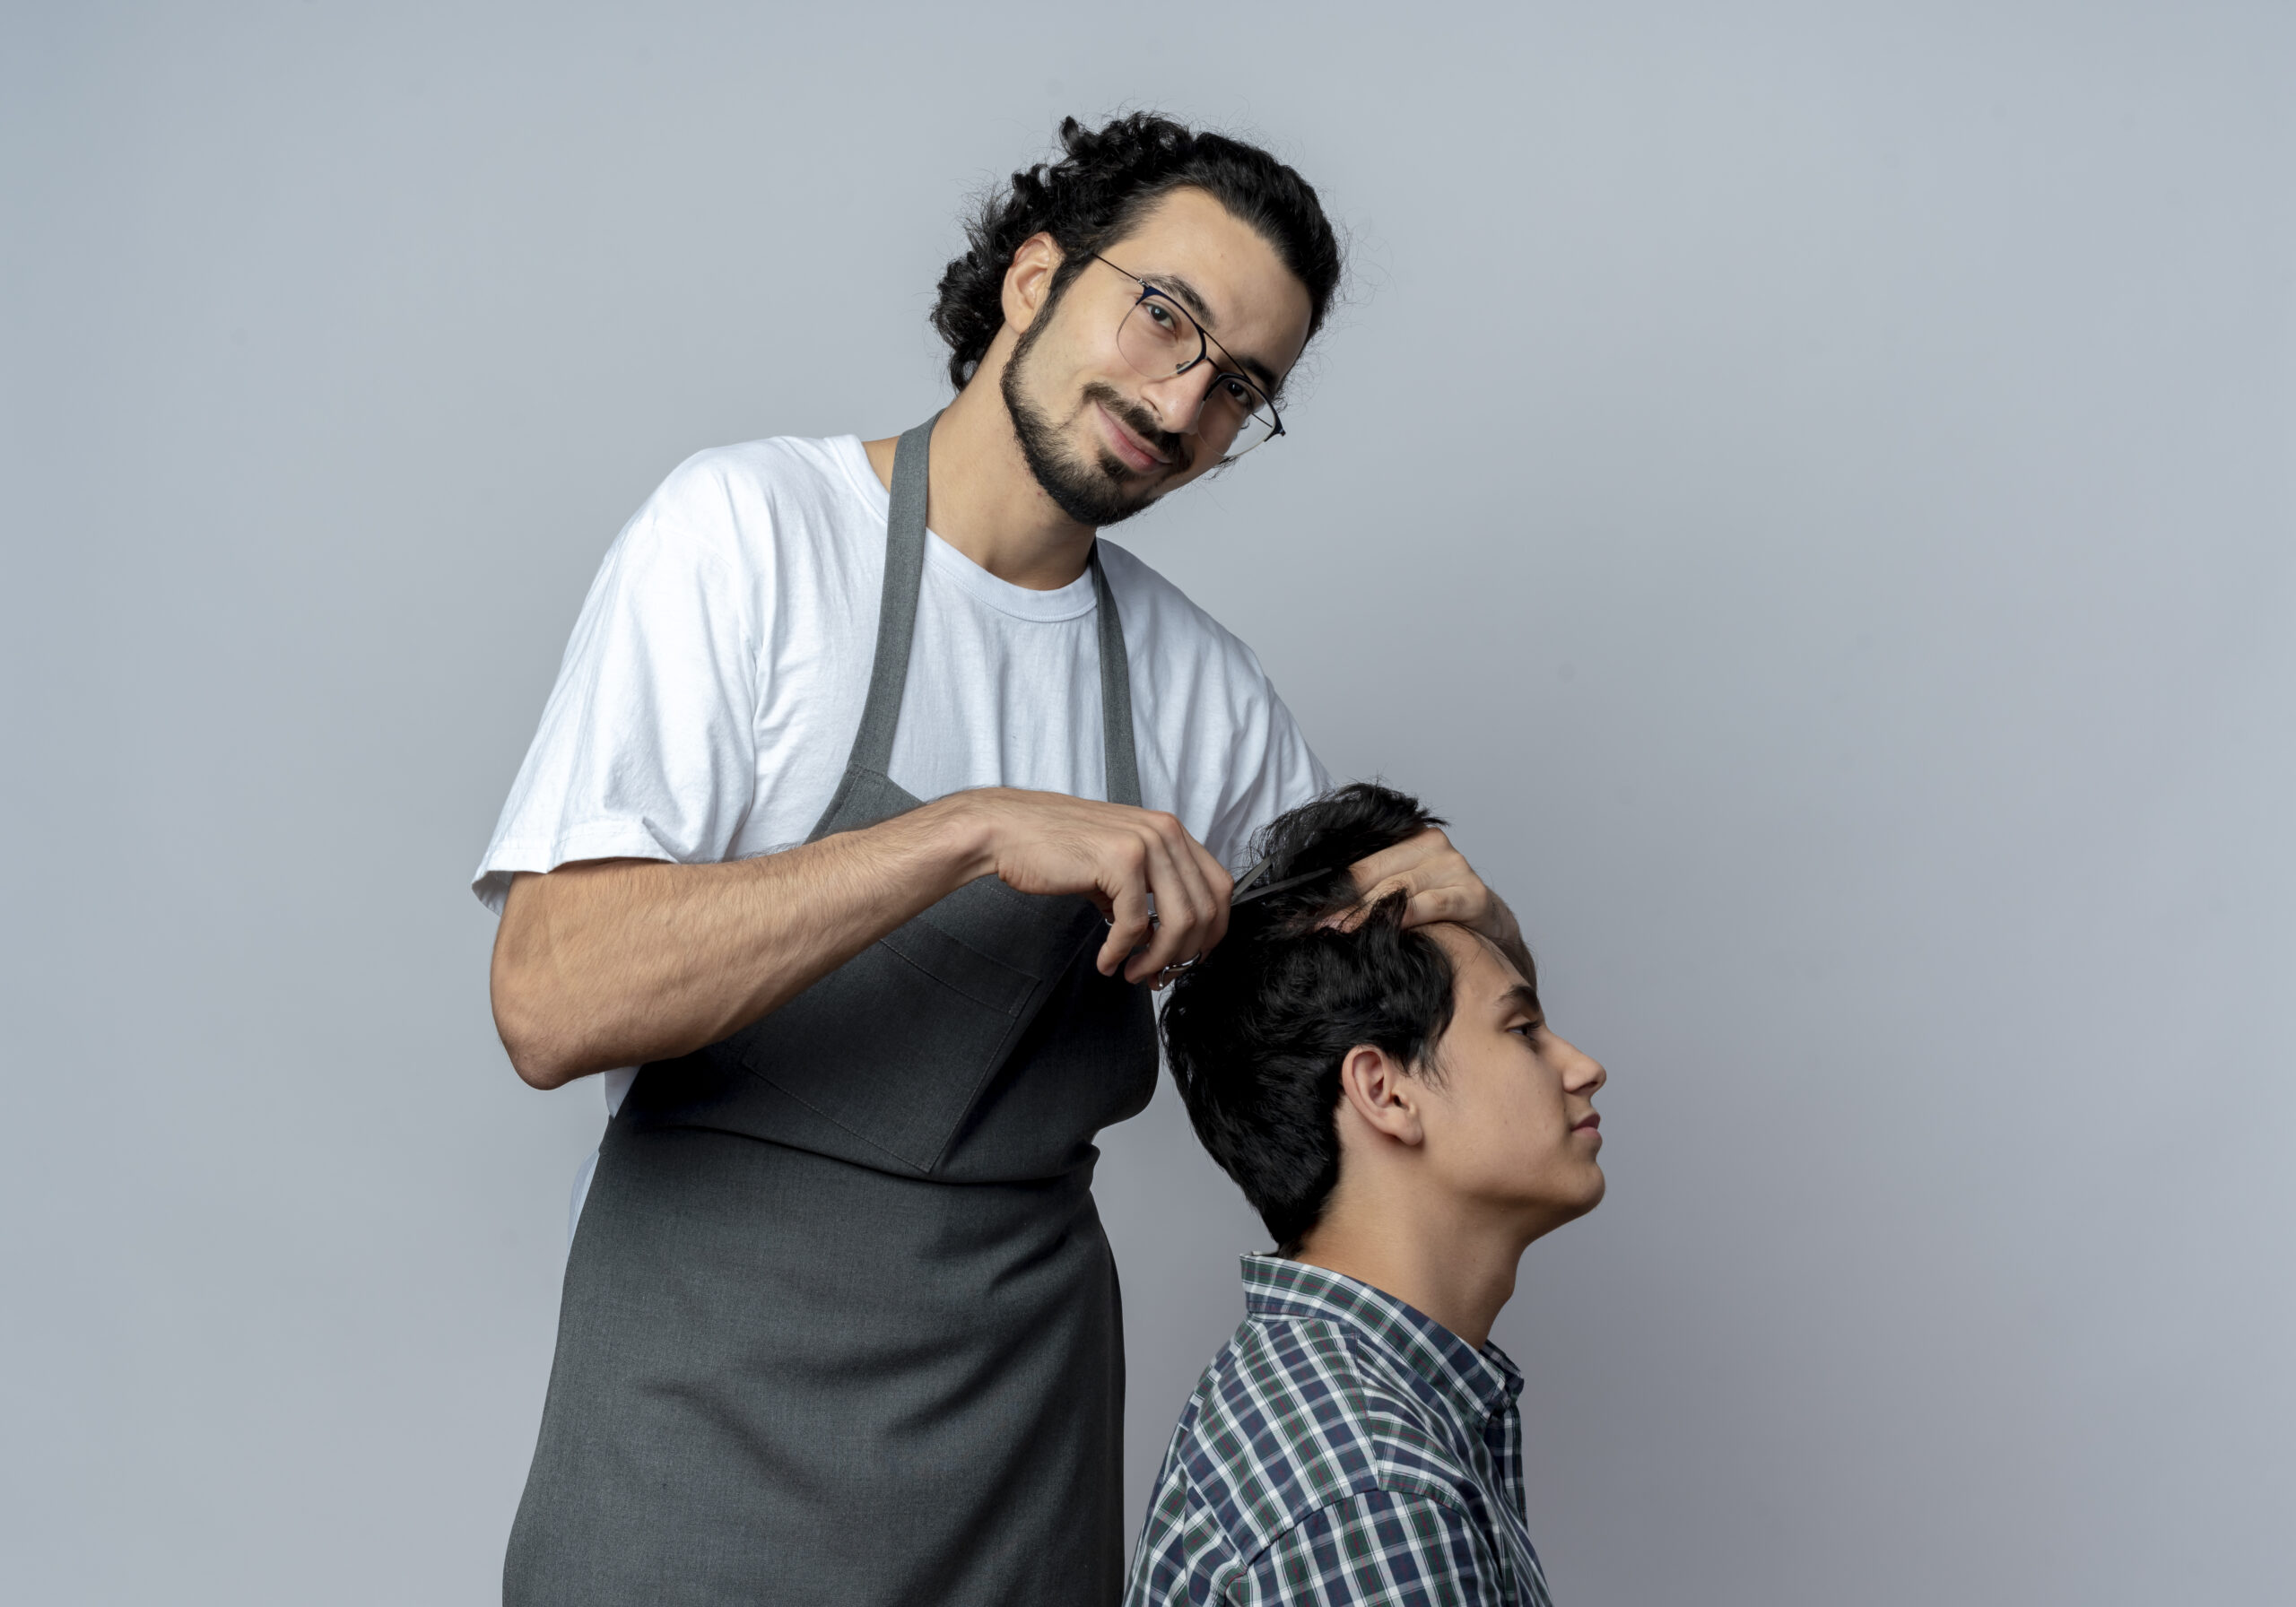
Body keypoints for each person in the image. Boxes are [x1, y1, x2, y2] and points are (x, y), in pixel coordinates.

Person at [474, 116, 1535, 1605]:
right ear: (1033, 275)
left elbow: (1349, 1043)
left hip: (1019, 1431)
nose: (1180, 400)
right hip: (697, 1410)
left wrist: (1456, 914)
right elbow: (549, 996)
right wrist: (966, 830)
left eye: (1241, 387)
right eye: (1166, 315)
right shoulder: (754, 536)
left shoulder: (1199, 691)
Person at [1131, 783, 1609, 1607]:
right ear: (1384, 1093)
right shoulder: (1373, 1487)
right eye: (1524, 1030)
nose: (1582, 1067)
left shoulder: (1328, 1401)